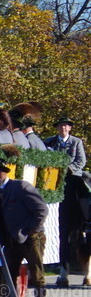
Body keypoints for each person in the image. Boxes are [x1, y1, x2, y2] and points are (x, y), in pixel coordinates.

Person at [0, 157, 49, 297]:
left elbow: (42, 209)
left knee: (37, 278)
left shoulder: (20, 187)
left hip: (31, 239)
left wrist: (31, 230)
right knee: (9, 278)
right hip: (10, 241)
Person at [44, 116, 89, 285]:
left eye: (66, 125)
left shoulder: (76, 142)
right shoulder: (49, 142)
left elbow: (81, 161)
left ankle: (86, 219)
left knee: (84, 191)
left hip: (72, 177)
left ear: (70, 128)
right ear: (57, 127)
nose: (63, 128)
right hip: (54, 179)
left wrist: (68, 169)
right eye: (61, 125)